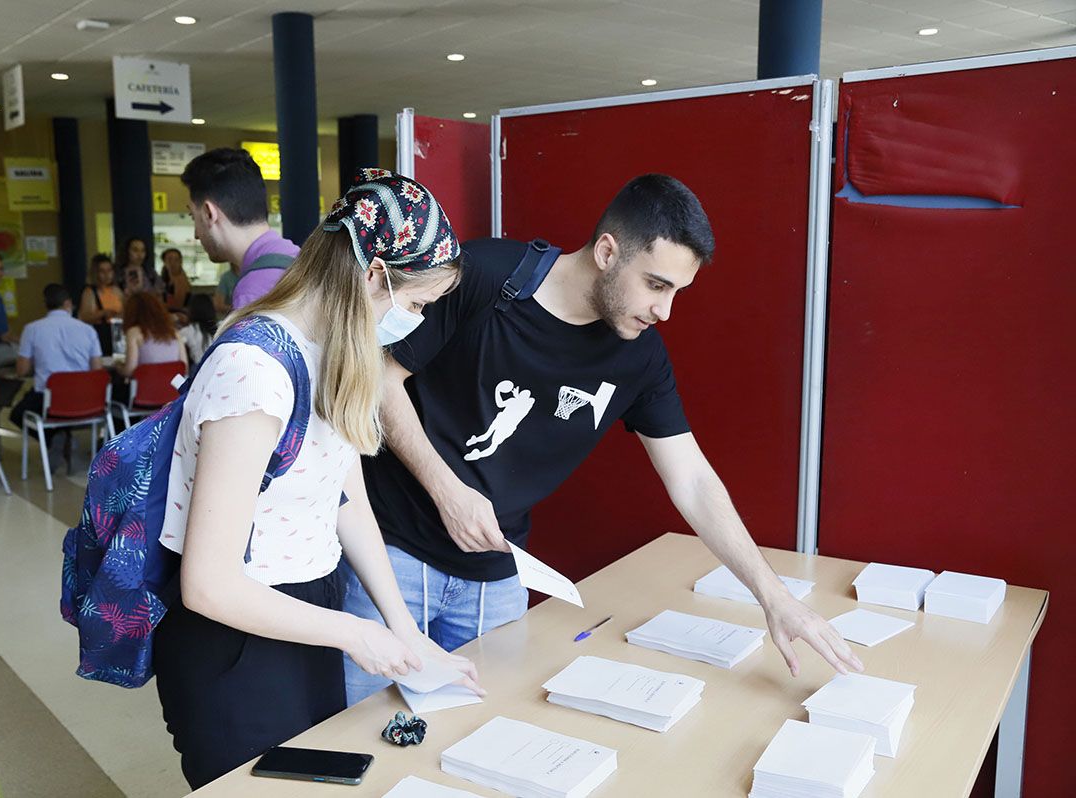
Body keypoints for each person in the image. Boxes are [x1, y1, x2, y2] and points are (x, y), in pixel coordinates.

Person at [342, 174, 865, 705]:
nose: (665, 311)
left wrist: (774, 597)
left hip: (496, 574)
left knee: (473, 731)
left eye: (677, 292)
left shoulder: (640, 355)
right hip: (391, 552)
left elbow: (692, 479)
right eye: (657, 285)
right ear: (608, 251)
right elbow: (381, 379)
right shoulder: (485, 275)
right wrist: (447, 491)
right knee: (362, 732)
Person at [151, 169, 476, 788]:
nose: (415, 323)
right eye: (416, 306)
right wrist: (359, 633)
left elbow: (346, 500)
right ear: (375, 277)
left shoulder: (326, 353)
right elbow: (209, 584)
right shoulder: (253, 370)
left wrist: (407, 636)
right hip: (235, 641)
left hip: (308, 612)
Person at [180, 147, 299, 313]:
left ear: (209, 213)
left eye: (193, 217)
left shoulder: (251, 292)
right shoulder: (298, 258)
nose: (196, 235)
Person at [11, 284, 103, 469]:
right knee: (66, 406)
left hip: (48, 400)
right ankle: (63, 437)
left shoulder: (32, 329)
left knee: (17, 414)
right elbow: (97, 370)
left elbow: (21, 370)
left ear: (46, 304)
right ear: (68, 303)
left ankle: (53, 437)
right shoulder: (88, 330)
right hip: (85, 400)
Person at [118, 292, 187, 385]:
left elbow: (130, 370)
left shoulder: (134, 332)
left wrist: (118, 367)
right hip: (172, 394)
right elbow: (184, 368)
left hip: (145, 393)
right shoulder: (174, 333)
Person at [78, 254, 125, 357]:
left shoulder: (117, 290)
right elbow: (84, 317)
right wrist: (103, 313)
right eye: (102, 271)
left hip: (118, 332)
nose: (107, 274)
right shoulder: (90, 292)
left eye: (109, 270)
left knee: (120, 361)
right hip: (101, 333)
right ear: (96, 273)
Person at [178, 293, 215, 364]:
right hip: (216, 367)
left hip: (198, 368)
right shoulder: (219, 327)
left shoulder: (189, 330)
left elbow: (176, 343)